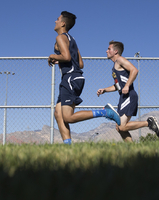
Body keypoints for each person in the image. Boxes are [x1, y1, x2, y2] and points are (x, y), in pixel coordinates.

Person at [48, 11, 121, 144]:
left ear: (63, 23)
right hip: (74, 77)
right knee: (58, 114)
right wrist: (61, 61)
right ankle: (67, 147)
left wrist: (53, 56)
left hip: (70, 78)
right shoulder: (72, 39)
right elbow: (80, 64)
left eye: (57, 19)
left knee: (68, 117)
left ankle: (106, 112)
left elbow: (66, 57)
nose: (55, 21)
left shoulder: (60, 38)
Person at [97, 40, 159, 142]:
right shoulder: (114, 67)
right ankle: (132, 151)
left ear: (116, 51)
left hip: (129, 96)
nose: (106, 51)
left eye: (109, 49)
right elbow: (118, 86)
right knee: (119, 128)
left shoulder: (120, 60)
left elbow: (134, 70)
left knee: (122, 127)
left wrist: (127, 86)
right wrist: (105, 90)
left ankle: (149, 123)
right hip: (123, 97)